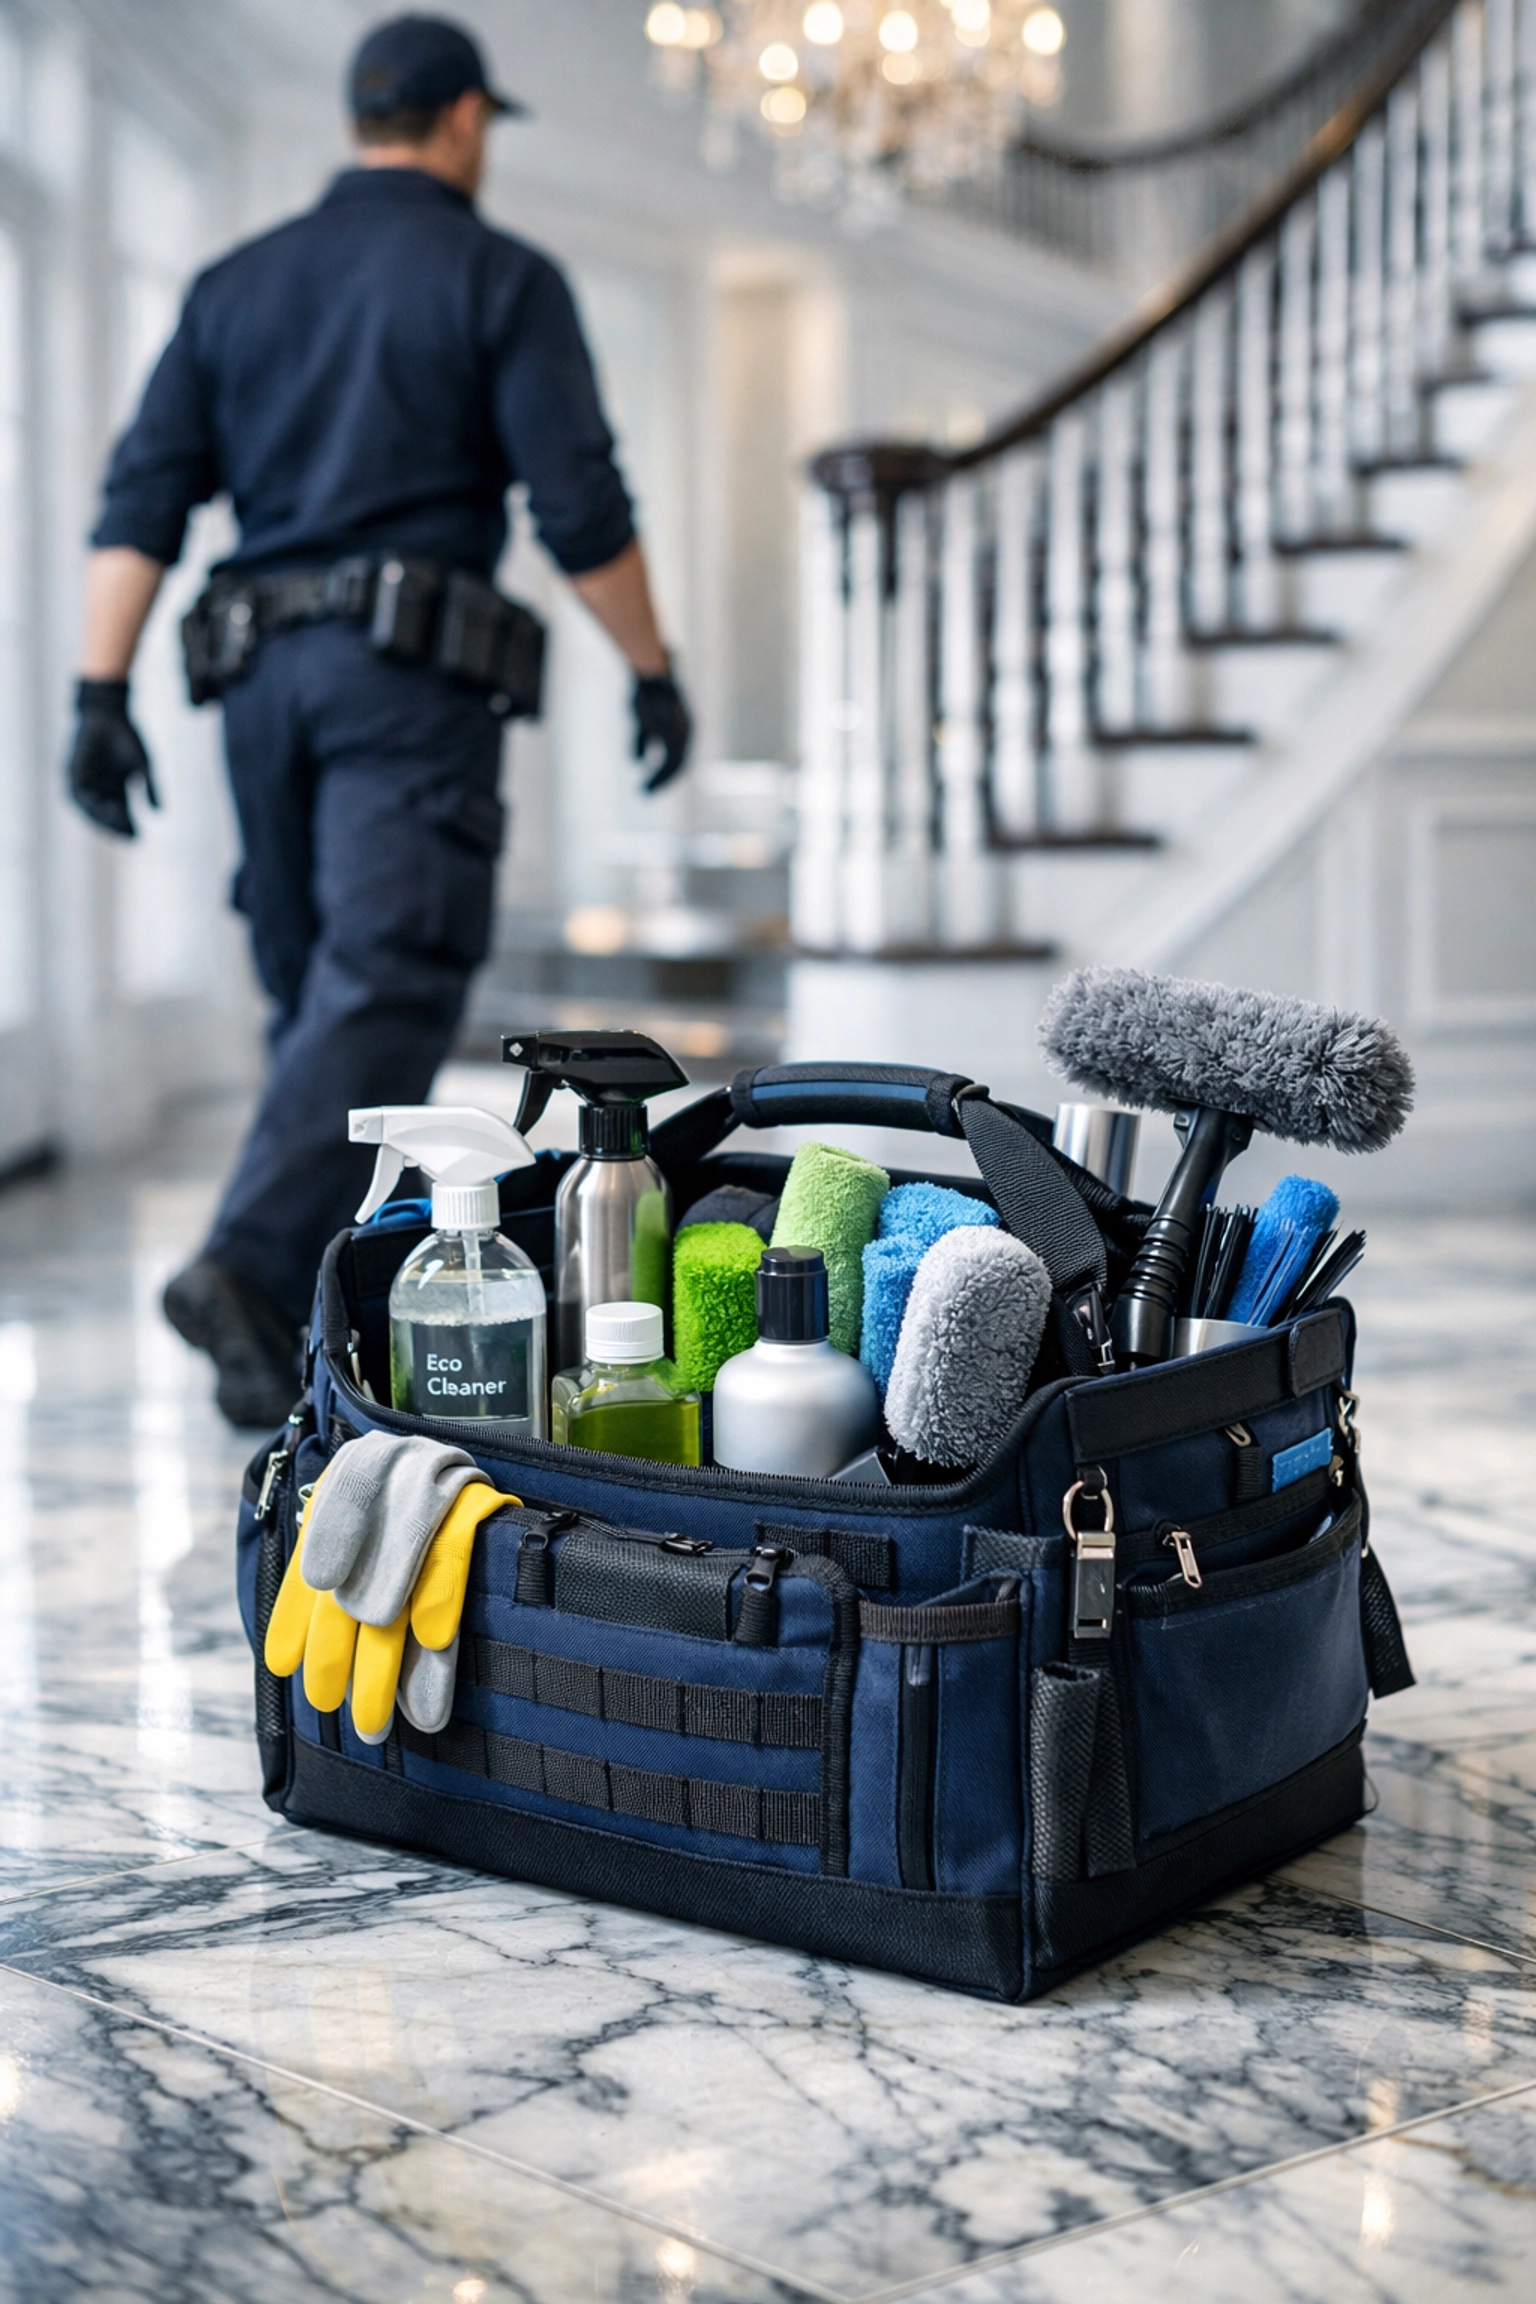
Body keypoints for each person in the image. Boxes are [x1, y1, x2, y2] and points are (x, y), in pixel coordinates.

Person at [65, 14, 691, 1430]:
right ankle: (245, 1262)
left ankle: (281, 1325)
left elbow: (138, 502)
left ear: (361, 120)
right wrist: (652, 665)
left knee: (318, 998)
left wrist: (96, 693)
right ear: (465, 120)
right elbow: (579, 503)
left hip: (256, 686)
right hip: (403, 683)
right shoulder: (498, 276)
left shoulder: (232, 287)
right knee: (390, 972)